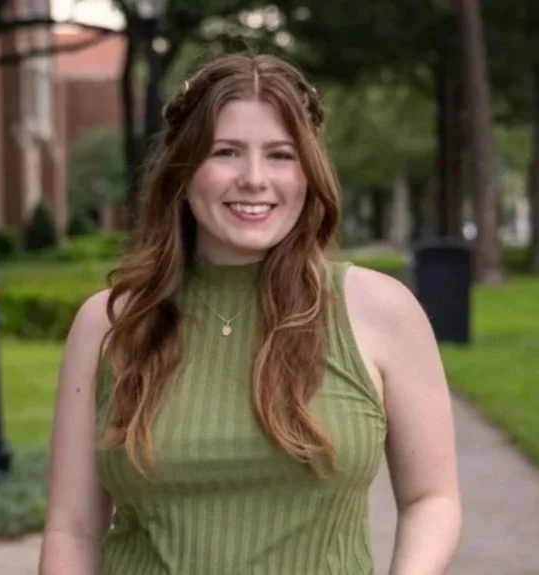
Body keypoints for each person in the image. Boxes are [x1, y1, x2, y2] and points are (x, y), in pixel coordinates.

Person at [39, 52, 461, 575]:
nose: (255, 178)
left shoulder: (380, 311)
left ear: (309, 173)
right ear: (184, 168)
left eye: (280, 154)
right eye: (226, 152)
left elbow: (431, 499)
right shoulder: (109, 323)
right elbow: (72, 530)